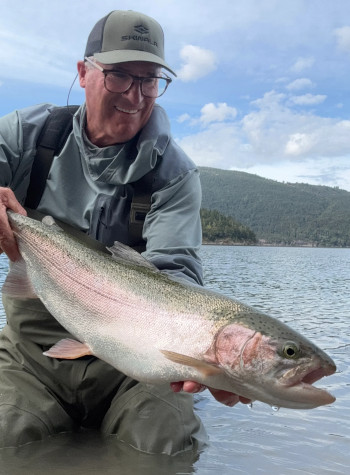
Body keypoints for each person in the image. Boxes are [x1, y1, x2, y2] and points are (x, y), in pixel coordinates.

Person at [0, 10, 248, 453]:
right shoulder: (26, 136)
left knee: (165, 444)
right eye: (119, 76)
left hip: (138, 368)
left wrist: (203, 354)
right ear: (83, 72)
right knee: (7, 437)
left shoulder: (173, 173)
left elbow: (177, 275)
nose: (135, 95)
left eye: (149, 80)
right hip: (31, 357)